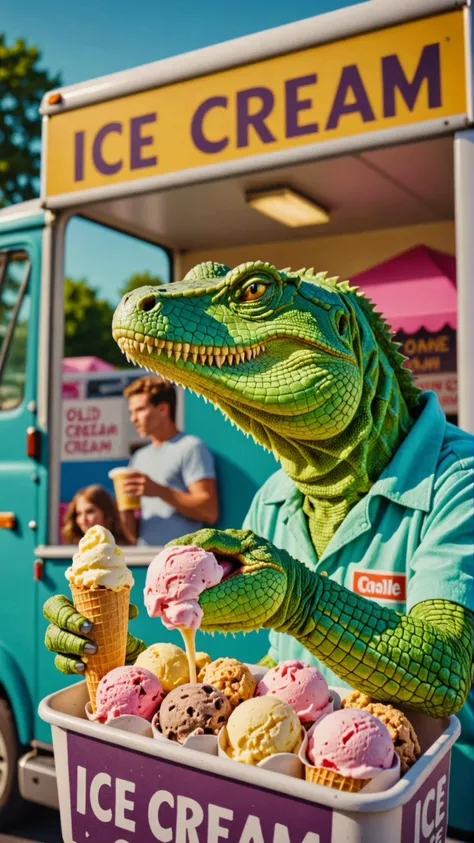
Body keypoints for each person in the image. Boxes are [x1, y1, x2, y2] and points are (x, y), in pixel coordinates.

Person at [119, 376, 218, 545]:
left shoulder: (190, 447)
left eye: (140, 410)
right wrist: (123, 509)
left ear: (163, 409)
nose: (133, 418)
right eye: (131, 412)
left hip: (184, 560)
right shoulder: (138, 458)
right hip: (145, 561)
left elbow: (209, 511)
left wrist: (158, 490)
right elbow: (132, 533)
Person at [62, 484, 132, 544]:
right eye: (79, 513)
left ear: (106, 513)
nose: (83, 519)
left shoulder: (125, 551)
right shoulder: (72, 552)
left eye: (90, 511)